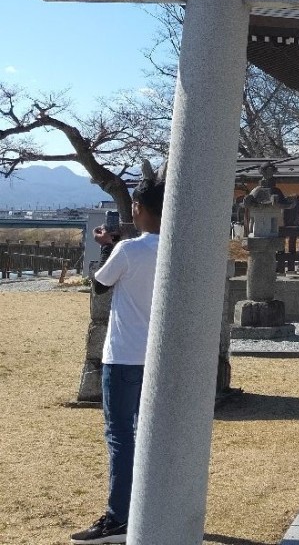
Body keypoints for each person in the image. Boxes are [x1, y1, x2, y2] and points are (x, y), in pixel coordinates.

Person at [71, 176, 163, 544]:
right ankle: (149, 507)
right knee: (150, 435)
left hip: (124, 354)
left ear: (137, 209)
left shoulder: (129, 250)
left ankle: (118, 517)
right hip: (158, 357)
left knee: (121, 435)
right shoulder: (179, 249)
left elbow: (99, 283)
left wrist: (108, 247)